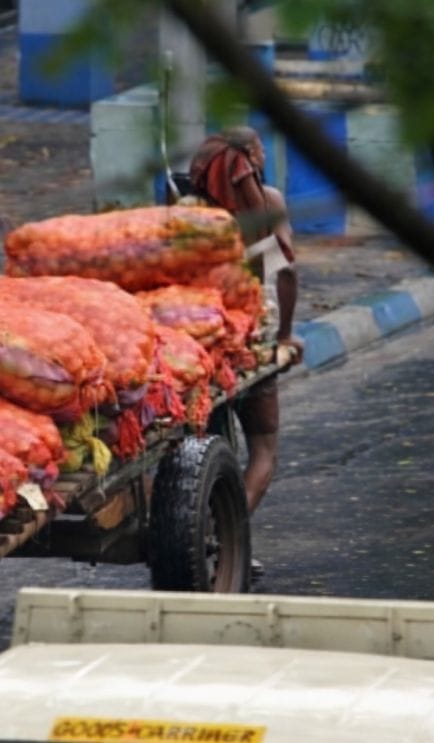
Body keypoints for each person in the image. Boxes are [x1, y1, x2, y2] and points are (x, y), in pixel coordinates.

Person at [188, 126, 305, 524]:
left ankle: (201, 530)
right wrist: (285, 334)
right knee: (263, 449)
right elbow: (285, 272)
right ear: (254, 157)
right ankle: (222, 536)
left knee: (197, 447)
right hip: (252, 342)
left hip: (197, 345)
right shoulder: (266, 203)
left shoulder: (189, 209)